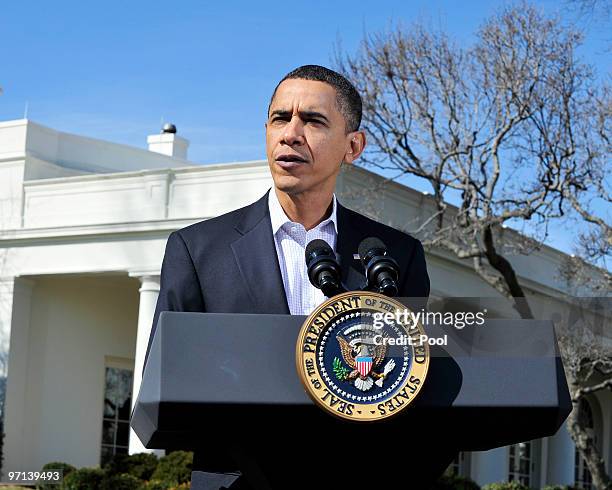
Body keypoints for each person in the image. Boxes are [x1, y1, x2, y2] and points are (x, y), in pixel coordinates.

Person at [145, 65, 431, 489]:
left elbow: (416, 392)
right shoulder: (198, 251)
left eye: (313, 121)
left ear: (353, 146)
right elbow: (165, 384)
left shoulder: (395, 257)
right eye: (280, 118)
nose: (290, 134)